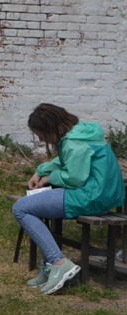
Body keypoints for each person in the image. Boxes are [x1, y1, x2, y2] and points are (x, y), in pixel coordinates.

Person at [12, 104, 125, 295]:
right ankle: (49, 264)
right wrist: (40, 171)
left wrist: (49, 178)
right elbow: (66, 161)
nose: (40, 139)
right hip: (101, 195)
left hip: (90, 197)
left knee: (21, 208)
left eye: (41, 135)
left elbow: (74, 178)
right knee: (32, 206)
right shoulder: (80, 134)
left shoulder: (72, 143)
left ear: (50, 129)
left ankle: (58, 262)